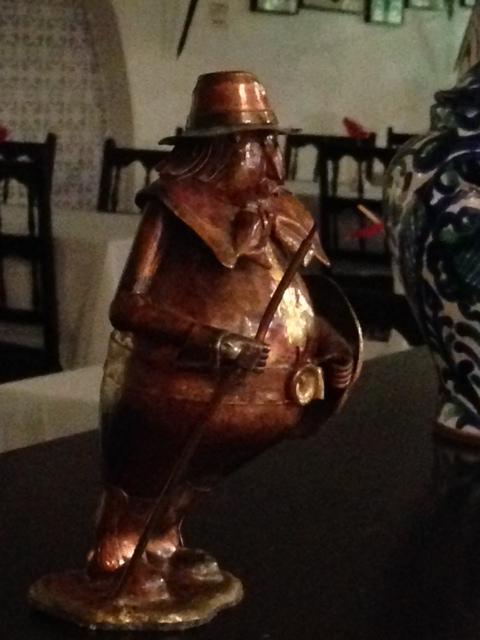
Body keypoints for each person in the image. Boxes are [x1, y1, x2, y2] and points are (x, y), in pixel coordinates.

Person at [87, 71, 359, 588]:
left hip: (260, 397)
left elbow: (293, 296)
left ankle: (163, 543)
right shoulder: (173, 208)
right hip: (180, 385)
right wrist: (210, 339)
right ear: (222, 150)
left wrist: (329, 341)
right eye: (260, 146)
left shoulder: (280, 213)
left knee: (195, 482)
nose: (275, 164)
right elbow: (127, 306)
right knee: (149, 483)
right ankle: (122, 552)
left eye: (274, 144)